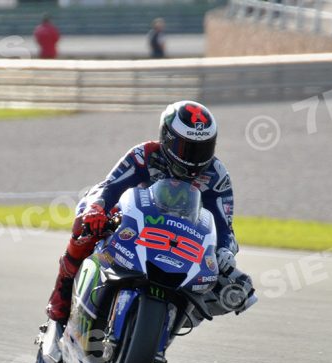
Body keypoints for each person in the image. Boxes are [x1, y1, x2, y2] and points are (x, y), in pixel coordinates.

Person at [45, 100, 254, 324]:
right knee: (85, 223)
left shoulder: (217, 175)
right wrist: (96, 209)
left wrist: (224, 251)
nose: (195, 157)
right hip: (134, 226)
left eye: (203, 148)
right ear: (167, 139)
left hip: (183, 242)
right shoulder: (144, 155)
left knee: (240, 290)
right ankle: (62, 293)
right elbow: (110, 187)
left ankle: (170, 323)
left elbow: (224, 227)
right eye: (187, 148)